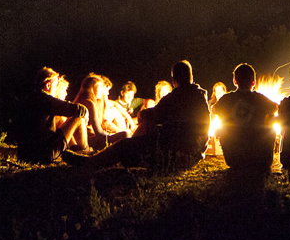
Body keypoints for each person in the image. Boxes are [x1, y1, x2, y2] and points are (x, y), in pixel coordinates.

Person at [80, 61, 212, 172]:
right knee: (136, 144)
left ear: (173, 80)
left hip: (176, 155)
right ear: (191, 77)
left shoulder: (175, 97)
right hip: (195, 155)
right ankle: (102, 158)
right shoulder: (200, 97)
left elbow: (149, 115)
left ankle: (89, 163)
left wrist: (142, 115)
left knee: (125, 146)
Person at [213, 63, 278, 177]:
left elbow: (214, 110)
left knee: (222, 124)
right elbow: (275, 107)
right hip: (258, 157)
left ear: (235, 81)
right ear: (253, 82)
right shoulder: (260, 99)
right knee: (271, 122)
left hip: (234, 157)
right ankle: (265, 157)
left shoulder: (227, 99)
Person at [19, 66, 89, 164]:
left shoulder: (29, 99)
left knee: (60, 119)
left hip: (24, 155)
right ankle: (85, 152)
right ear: (48, 85)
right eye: (56, 85)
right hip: (44, 154)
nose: (57, 89)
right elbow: (77, 109)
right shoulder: (45, 100)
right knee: (79, 117)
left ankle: (75, 149)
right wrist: (86, 114)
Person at [82, 73, 134, 148]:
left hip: (97, 136)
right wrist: (120, 133)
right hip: (93, 139)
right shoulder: (90, 104)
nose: (105, 92)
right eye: (101, 88)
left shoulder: (93, 102)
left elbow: (114, 104)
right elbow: (100, 133)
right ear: (93, 88)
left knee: (115, 111)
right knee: (125, 135)